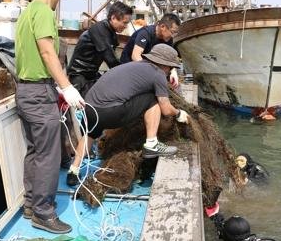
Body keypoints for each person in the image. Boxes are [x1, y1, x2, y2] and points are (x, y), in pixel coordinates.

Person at [15, 0, 84, 234]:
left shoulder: (25, 13)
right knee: (49, 155)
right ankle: (44, 213)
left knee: (35, 151)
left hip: (24, 91)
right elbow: (46, 51)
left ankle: (31, 204)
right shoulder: (43, 11)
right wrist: (66, 87)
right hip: (39, 94)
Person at [66, 44, 190, 186]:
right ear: (165, 65)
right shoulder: (158, 74)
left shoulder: (134, 66)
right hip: (110, 112)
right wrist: (179, 113)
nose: (169, 71)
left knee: (90, 135)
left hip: (89, 110)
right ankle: (151, 144)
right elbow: (166, 109)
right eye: (170, 67)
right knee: (151, 98)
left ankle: (73, 170)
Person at [67, 1, 133, 97]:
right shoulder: (100, 30)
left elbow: (114, 59)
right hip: (79, 76)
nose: (126, 26)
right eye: (124, 23)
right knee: (86, 105)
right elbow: (110, 59)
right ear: (113, 18)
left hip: (92, 75)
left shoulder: (111, 32)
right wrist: (129, 75)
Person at [120, 13, 181, 88]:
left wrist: (173, 72)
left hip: (148, 67)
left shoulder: (168, 39)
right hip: (129, 66)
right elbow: (135, 56)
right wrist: (152, 73)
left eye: (175, 33)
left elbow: (169, 59)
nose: (173, 36)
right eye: (172, 32)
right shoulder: (145, 33)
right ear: (162, 27)